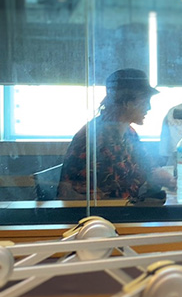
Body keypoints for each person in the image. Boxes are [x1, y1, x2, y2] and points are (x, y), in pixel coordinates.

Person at [58, 69, 175, 200]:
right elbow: (106, 196)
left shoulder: (128, 132)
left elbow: (148, 167)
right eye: (145, 101)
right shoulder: (97, 138)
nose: (149, 107)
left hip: (123, 207)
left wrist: (170, 180)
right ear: (127, 103)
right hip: (105, 210)